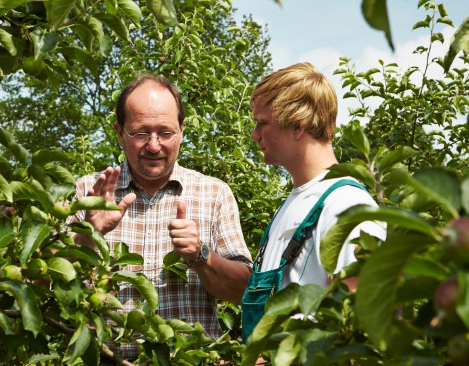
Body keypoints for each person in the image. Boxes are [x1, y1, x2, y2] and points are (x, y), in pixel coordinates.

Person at [68, 74, 253, 360]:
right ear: (120, 133)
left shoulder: (214, 193)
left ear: (181, 131)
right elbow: (46, 282)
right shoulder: (87, 191)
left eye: (165, 133)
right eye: (141, 133)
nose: (154, 146)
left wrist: (201, 254)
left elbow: (244, 291)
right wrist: (87, 236)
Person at [241, 62, 386, 341]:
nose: (254, 135)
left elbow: (361, 324)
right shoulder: (293, 203)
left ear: (297, 125)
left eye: (262, 123)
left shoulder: (346, 206)